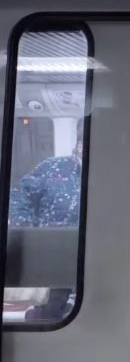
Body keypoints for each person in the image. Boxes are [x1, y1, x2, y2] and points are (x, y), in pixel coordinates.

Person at [8, 118, 85, 322]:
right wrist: (26, 232)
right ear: (77, 145)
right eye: (81, 143)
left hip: (84, 250)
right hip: (50, 249)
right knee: (51, 306)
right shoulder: (53, 167)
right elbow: (19, 196)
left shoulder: (108, 175)